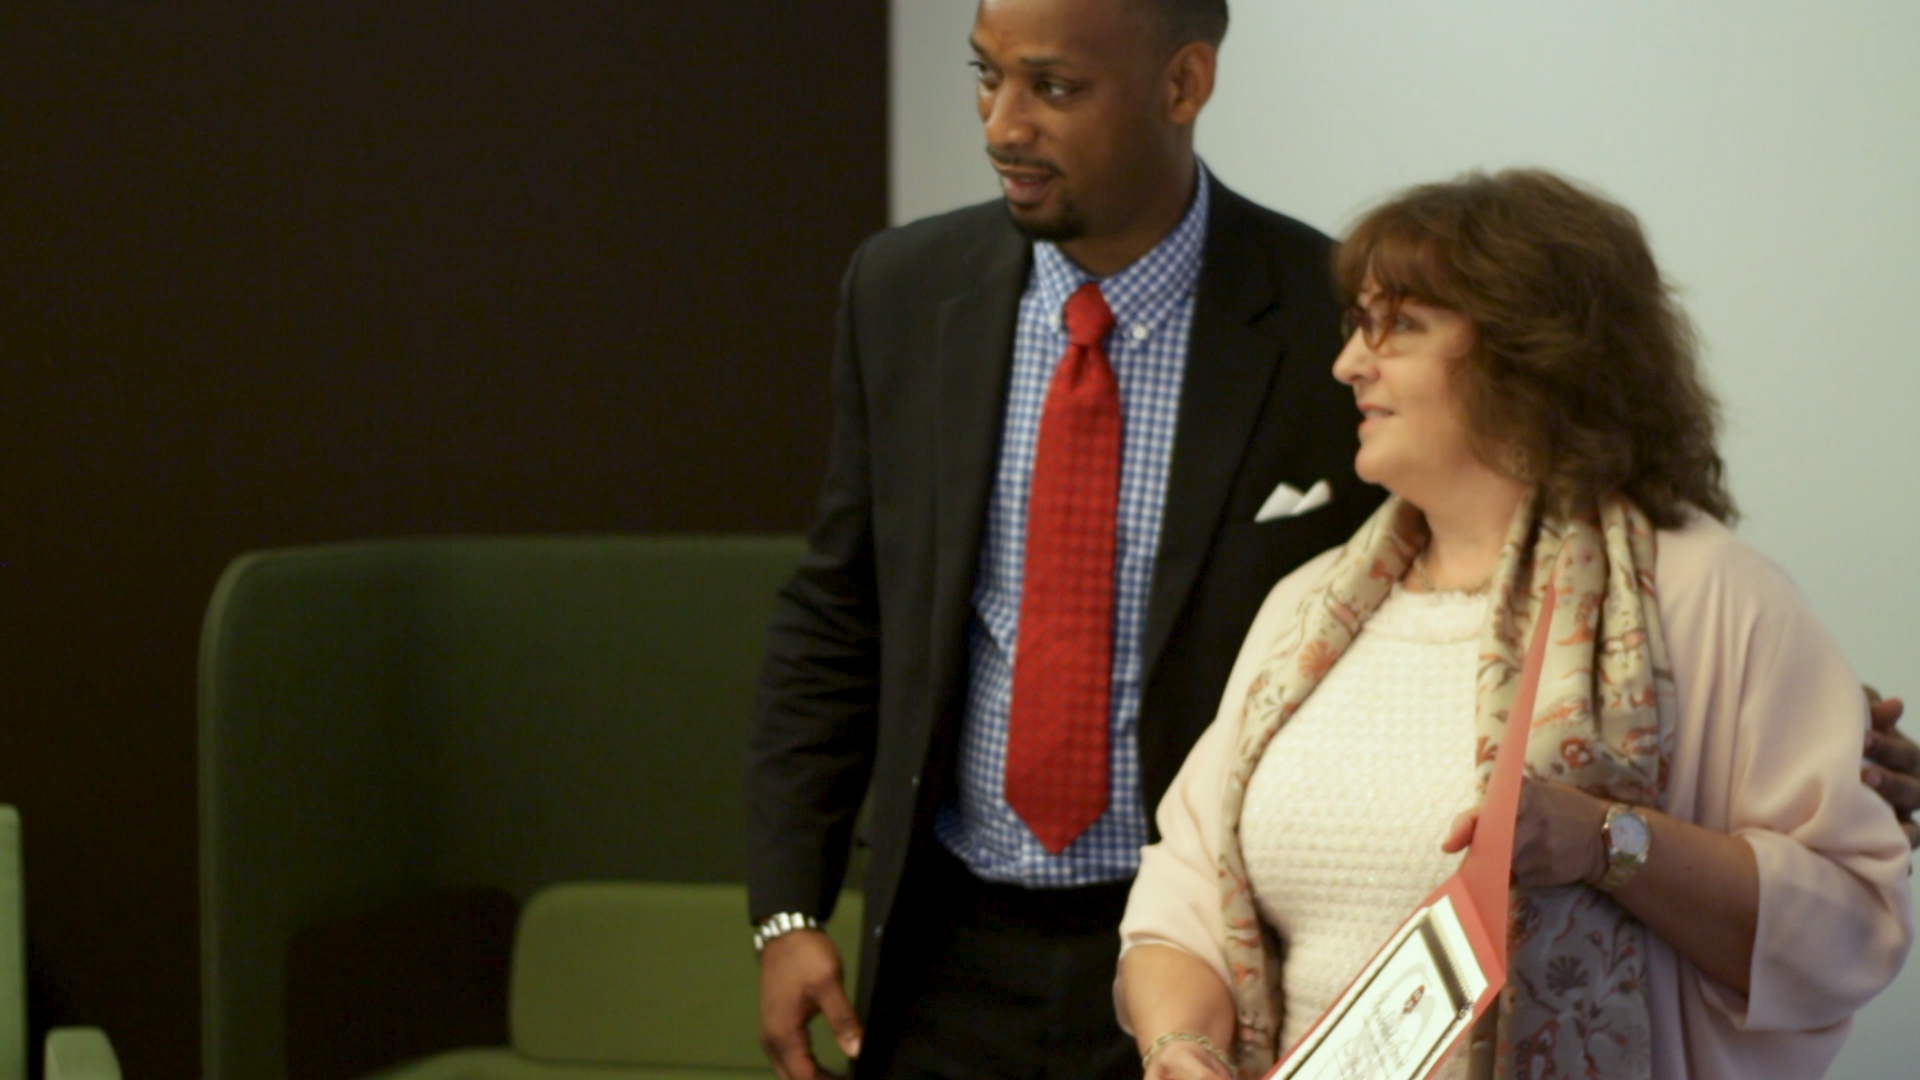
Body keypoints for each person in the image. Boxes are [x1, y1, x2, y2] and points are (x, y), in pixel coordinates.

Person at [746, 1, 1920, 1077]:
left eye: (1053, 86)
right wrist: (792, 908)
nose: (1003, 124)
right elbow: (843, 617)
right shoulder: (1314, 601)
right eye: (985, 77)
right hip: (979, 950)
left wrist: (1782, 750)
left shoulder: (1685, 592)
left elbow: (1816, 875)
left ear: (1182, 82)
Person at [1115, 169, 1913, 1080]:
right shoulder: (1306, 607)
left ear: (1528, 355)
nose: (1348, 365)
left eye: (1399, 327)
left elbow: (1851, 928)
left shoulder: (1708, 596)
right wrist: (1179, 1043)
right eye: (1356, 325)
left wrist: (1608, 843)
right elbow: (1184, 889)